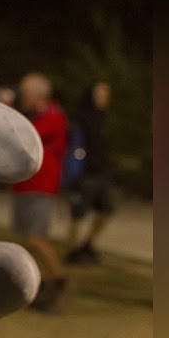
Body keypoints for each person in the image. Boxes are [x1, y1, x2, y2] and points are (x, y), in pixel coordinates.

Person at [12, 72, 71, 312]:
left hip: (41, 185)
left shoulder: (53, 117)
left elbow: (25, 135)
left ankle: (58, 282)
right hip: (26, 184)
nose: (20, 97)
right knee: (29, 239)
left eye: (24, 93)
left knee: (37, 238)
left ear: (38, 96)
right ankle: (41, 284)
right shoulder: (37, 115)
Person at [66, 80, 115, 264]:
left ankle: (86, 244)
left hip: (102, 172)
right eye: (100, 94)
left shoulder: (104, 118)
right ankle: (72, 250)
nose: (104, 98)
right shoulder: (80, 119)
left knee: (107, 210)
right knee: (78, 214)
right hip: (85, 173)